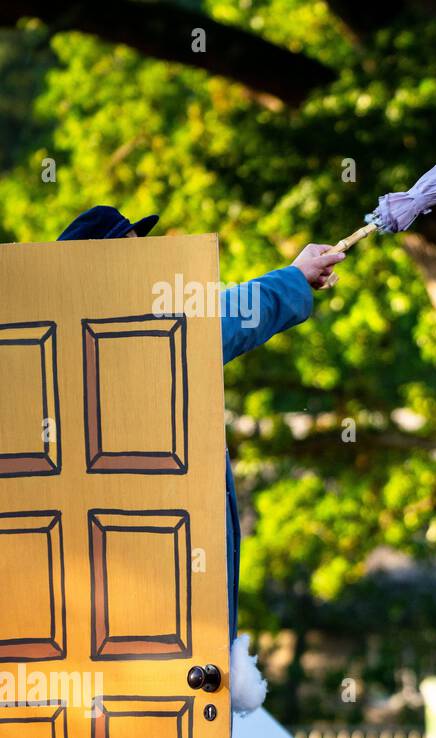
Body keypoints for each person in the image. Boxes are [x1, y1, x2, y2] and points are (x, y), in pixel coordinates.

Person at [58, 205, 344, 712]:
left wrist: (295, 276)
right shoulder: (146, 329)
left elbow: (228, 310)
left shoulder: (40, 350)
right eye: (129, 249)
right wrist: (296, 277)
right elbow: (230, 314)